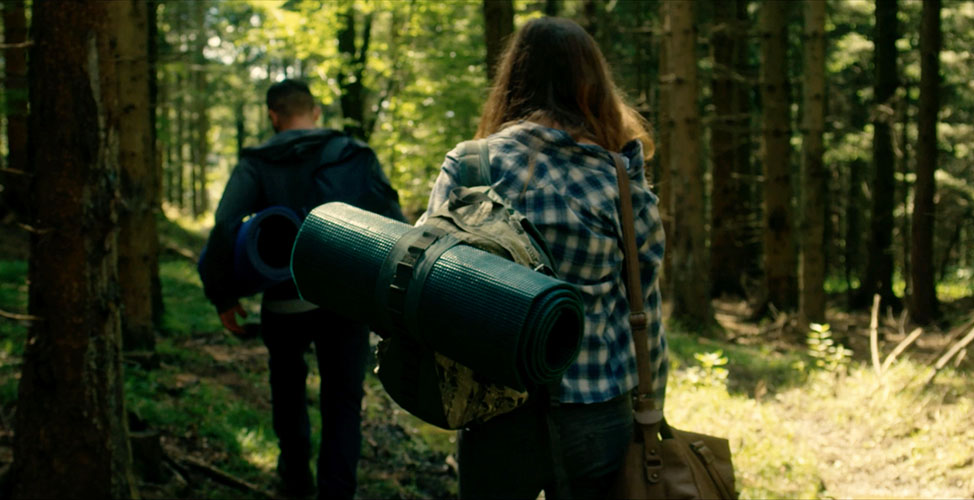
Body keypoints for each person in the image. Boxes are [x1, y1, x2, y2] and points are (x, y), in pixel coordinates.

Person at [420, 18, 668, 499]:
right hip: (598, 413)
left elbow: (429, 278)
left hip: (493, 409)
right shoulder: (619, 179)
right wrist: (653, 404)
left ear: (513, 80)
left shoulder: (470, 167)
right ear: (591, 85)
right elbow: (646, 310)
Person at [198, 79, 405, 499]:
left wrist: (223, 295)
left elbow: (223, 227)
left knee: (288, 390)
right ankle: (336, 491)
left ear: (273, 116)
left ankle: (294, 480)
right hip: (346, 300)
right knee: (343, 402)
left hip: (283, 302)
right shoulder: (354, 154)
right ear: (315, 113)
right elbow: (394, 223)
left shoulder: (256, 162)